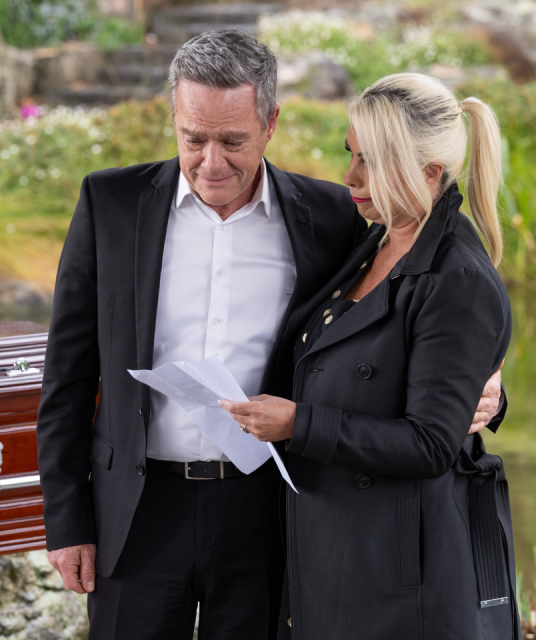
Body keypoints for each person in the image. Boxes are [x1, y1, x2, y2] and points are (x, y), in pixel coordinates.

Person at [37, 31, 504, 640]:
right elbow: (66, 377)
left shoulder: (336, 214)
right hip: (136, 511)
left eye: (233, 141)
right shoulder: (110, 203)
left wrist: (489, 384)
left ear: (271, 122)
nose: (211, 162)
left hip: (269, 515)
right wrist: (67, 520)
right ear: (174, 116)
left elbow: (424, 319)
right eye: (193, 138)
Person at [221, 73, 518, 639]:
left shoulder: (457, 277)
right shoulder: (374, 239)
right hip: (333, 553)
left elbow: (432, 443)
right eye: (351, 154)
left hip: (404, 580)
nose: (349, 177)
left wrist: (297, 422)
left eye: (371, 162)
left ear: (429, 174)